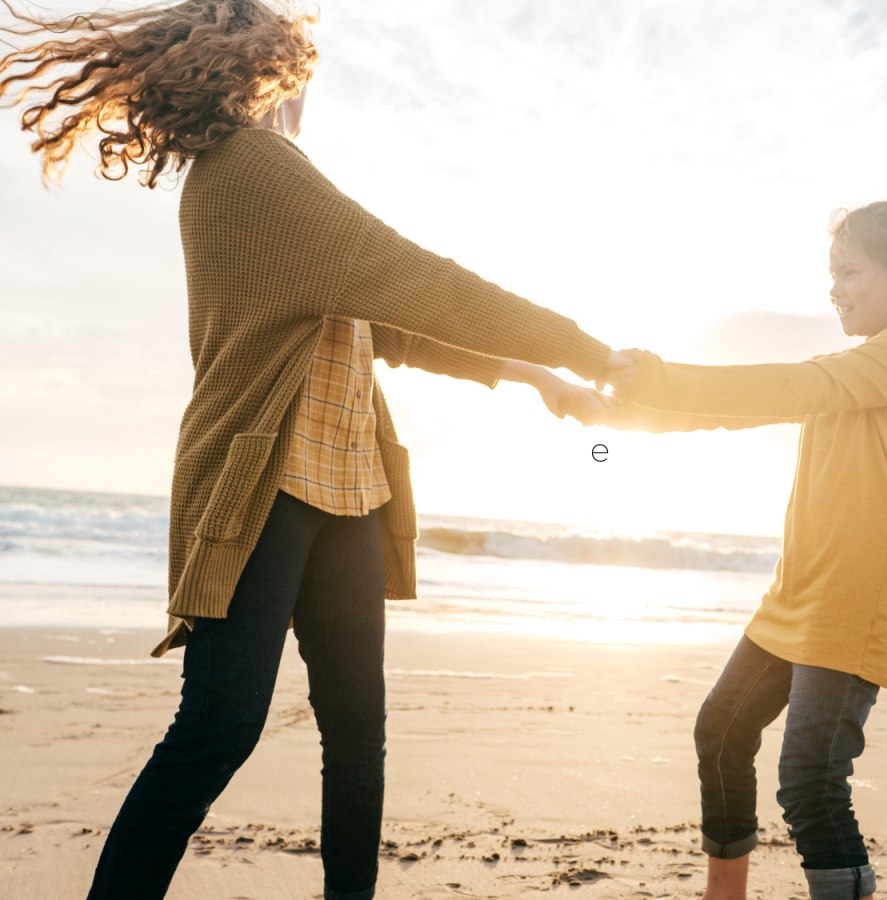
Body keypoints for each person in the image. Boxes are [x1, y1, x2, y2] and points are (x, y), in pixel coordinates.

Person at [0, 2, 628, 898]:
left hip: (347, 485)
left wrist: (535, 376)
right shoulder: (255, 167)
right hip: (264, 482)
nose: (307, 99)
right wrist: (586, 348)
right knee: (219, 723)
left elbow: (389, 323)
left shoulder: (268, 183)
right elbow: (419, 279)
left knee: (355, 727)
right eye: (302, 80)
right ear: (270, 73)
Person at [597, 201, 887, 900]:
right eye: (831, 274)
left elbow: (791, 384)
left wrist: (654, 377)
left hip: (857, 593)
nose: (834, 289)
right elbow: (749, 407)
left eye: (849, 271)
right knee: (722, 731)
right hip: (799, 590)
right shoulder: (864, 365)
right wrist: (623, 412)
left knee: (810, 780)